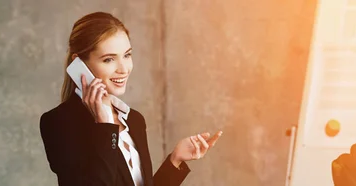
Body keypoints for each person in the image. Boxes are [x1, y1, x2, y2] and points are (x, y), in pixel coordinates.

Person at [40, 12, 223, 186]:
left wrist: (175, 160)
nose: (124, 69)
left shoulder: (134, 119)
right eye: (109, 59)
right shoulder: (59, 122)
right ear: (79, 64)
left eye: (127, 55)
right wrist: (105, 126)